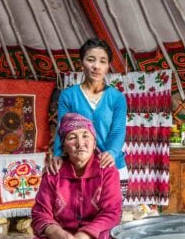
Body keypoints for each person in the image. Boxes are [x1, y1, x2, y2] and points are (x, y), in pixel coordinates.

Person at [23, 113, 121, 239]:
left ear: (94, 143)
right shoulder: (53, 173)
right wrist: (56, 234)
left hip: (93, 237)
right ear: (64, 147)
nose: (80, 143)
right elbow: (40, 214)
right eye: (72, 137)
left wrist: (81, 238)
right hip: (61, 237)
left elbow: (111, 212)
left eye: (86, 136)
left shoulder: (106, 170)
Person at [50, 38, 128, 196]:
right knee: (80, 215)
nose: (96, 66)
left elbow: (118, 130)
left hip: (111, 164)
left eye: (103, 61)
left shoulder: (117, 97)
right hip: (79, 167)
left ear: (107, 67)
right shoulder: (69, 95)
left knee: (112, 215)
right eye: (91, 60)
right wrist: (57, 153)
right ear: (82, 63)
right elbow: (62, 128)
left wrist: (112, 152)